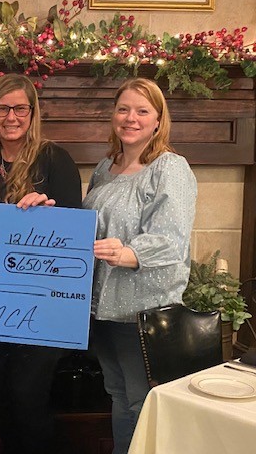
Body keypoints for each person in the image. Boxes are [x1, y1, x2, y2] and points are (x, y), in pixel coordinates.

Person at [0, 73, 82, 453]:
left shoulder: (55, 160)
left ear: (33, 112)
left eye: (19, 108)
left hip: (41, 305)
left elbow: (74, 237)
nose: (11, 116)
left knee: (27, 398)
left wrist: (48, 213)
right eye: (2, 108)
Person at [82, 78, 197, 454]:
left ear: (158, 120)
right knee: (118, 395)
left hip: (142, 311)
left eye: (142, 111)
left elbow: (172, 239)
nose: (131, 118)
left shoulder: (170, 168)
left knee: (142, 402)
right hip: (103, 310)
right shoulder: (105, 167)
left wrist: (127, 253)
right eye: (123, 109)